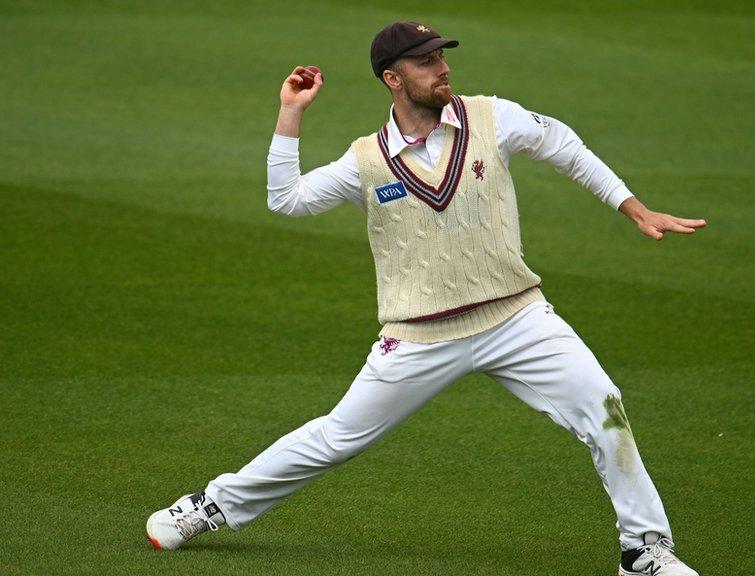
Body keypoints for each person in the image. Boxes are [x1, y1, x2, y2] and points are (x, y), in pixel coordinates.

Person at [146, 20, 705, 576]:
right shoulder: (366, 161)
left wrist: (633, 207)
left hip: (514, 315)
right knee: (336, 439)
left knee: (604, 405)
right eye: (426, 62)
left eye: (442, 57)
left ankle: (643, 550)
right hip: (418, 335)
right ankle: (209, 506)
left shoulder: (492, 117)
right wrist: (291, 113)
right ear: (393, 78)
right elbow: (286, 200)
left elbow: (565, 146)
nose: (443, 69)